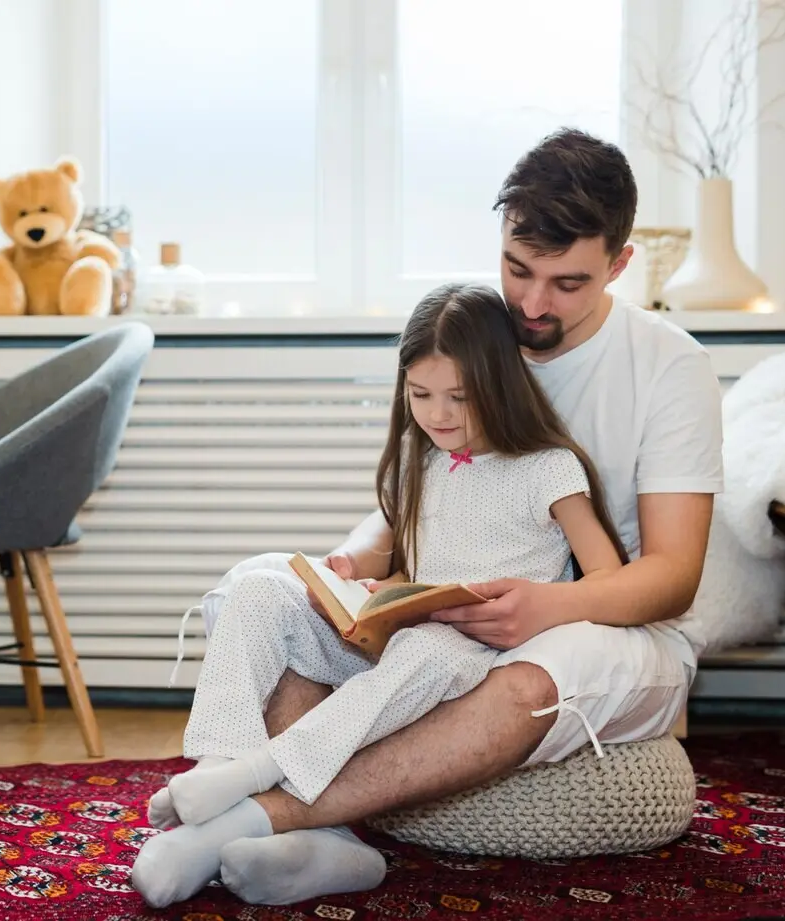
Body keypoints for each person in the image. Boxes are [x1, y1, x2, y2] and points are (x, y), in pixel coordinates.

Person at [138, 127, 725, 907]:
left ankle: (244, 817)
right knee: (267, 588)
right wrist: (350, 565)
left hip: (603, 626)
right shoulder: (482, 334)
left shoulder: (670, 368)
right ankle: (321, 840)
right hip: (446, 614)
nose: (534, 302)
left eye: (568, 282)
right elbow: (419, 496)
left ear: (620, 263)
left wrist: (549, 605)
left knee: (526, 678)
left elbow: (674, 575)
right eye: (518, 269)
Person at [130, 281, 632, 908]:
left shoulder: (549, 467)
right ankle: (217, 767)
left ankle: (253, 778)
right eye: (421, 395)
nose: (439, 414)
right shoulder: (417, 461)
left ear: (501, 385)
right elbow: (413, 564)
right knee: (260, 591)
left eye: (460, 398)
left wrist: (537, 603)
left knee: (426, 649)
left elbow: (608, 577)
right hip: (398, 637)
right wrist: (370, 588)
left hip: (466, 656)